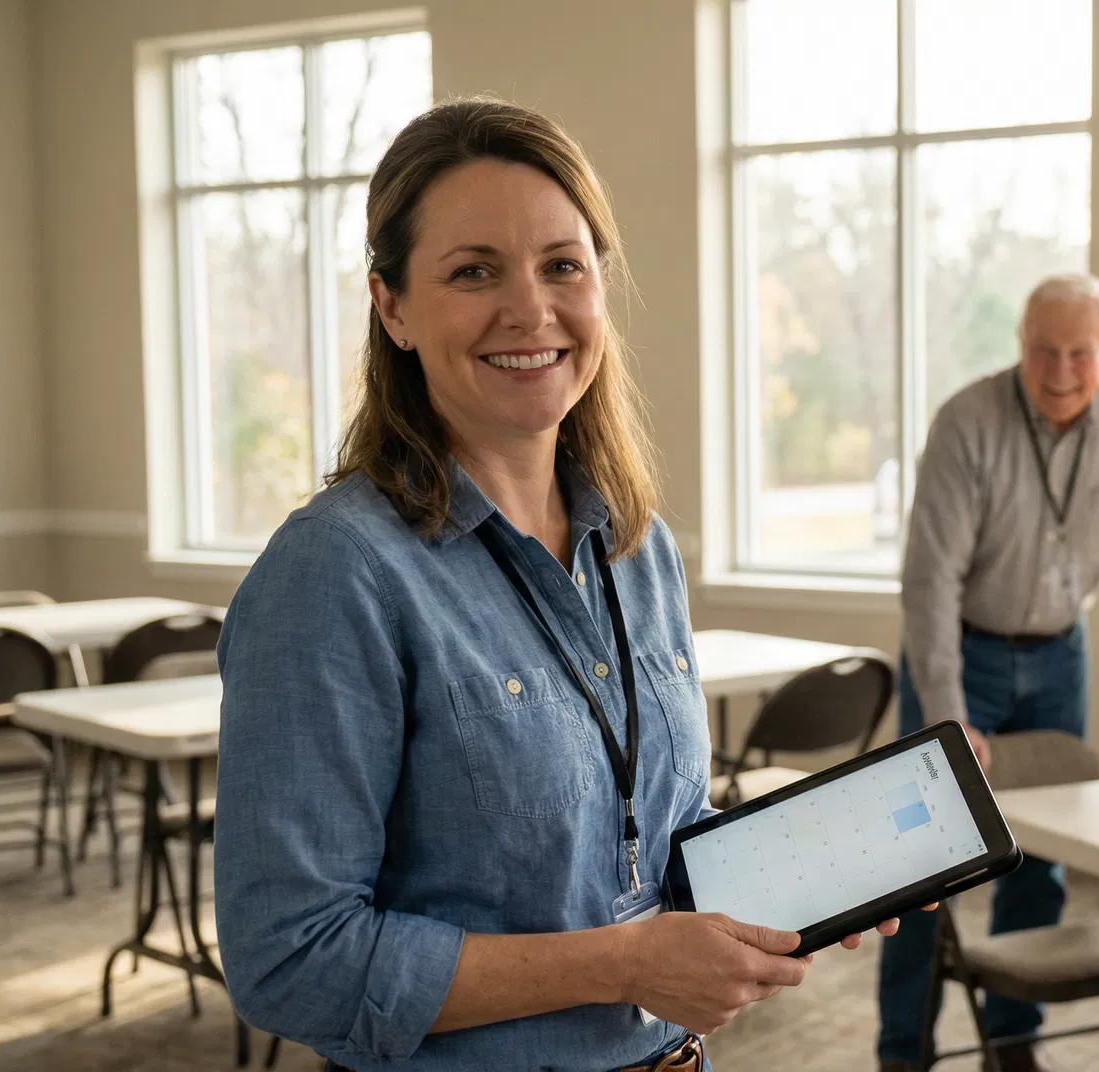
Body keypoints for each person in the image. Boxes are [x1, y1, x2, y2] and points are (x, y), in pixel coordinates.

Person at [214, 98, 900, 1072]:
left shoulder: (636, 543)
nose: (530, 311)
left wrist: (818, 874)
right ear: (392, 306)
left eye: (561, 266)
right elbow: (290, 957)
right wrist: (620, 965)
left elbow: (646, 843)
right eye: (472, 271)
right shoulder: (336, 574)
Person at [879, 274, 1099, 1072]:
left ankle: (1013, 1041)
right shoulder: (967, 423)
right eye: (1043, 351)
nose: (1059, 371)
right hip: (961, 652)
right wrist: (947, 714)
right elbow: (930, 581)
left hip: (1059, 654)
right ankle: (902, 1051)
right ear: (1021, 344)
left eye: (1080, 354)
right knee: (922, 872)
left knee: (1035, 859)